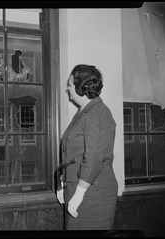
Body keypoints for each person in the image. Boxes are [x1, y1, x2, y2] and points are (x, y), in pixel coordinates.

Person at [56, 64, 118, 230]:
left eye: (70, 85)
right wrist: (64, 183)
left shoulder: (97, 113)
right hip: (80, 189)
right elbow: (73, 154)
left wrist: (79, 193)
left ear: (80, 87)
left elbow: (94, 158)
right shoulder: (84, 112)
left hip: (93, 194)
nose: (68, 89)